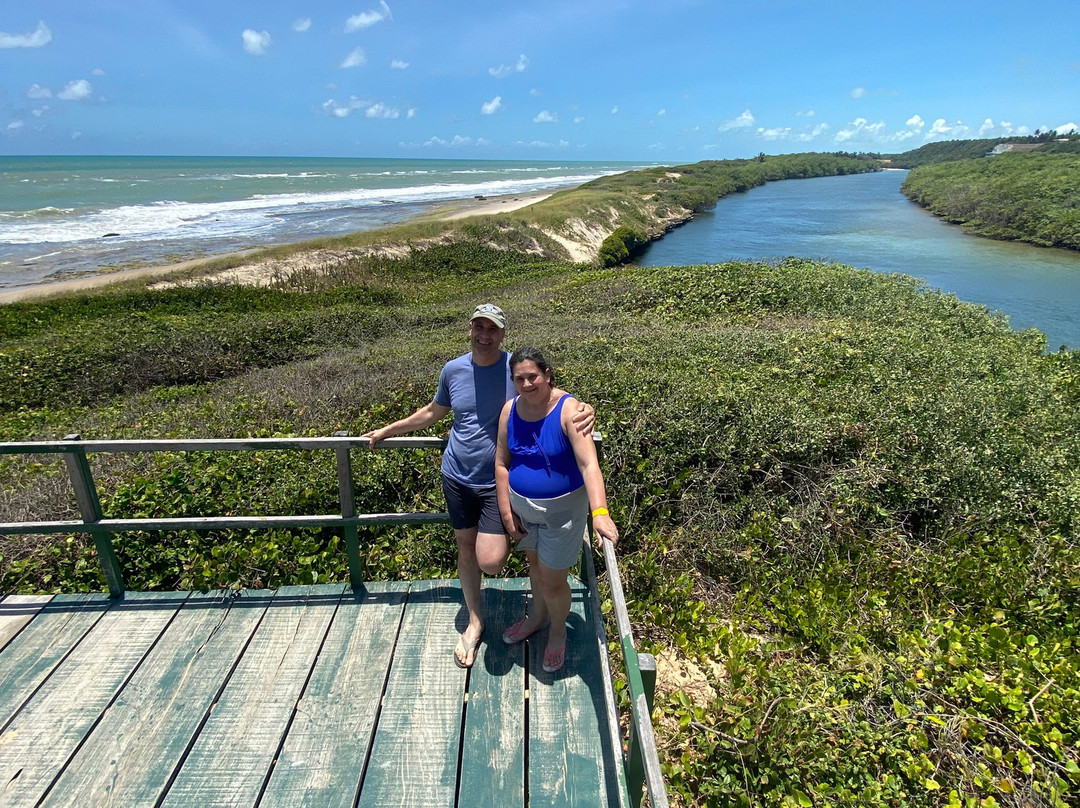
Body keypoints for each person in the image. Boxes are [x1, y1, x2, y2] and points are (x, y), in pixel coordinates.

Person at [362, 304, 594, 668]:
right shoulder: (452, 369)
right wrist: (389, 429)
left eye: (493, 329)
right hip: (455, 475)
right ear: (469, 329)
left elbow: (544, 389)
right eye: (478, 327)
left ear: (503, 334)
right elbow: (433, 412)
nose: (484, 335)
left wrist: (584, 408)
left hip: (494, 483)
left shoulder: (512, 369)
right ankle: (474, 622)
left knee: (491, 559)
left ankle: (542, 619)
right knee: (465, 548)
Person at [495, 346, 618, 674]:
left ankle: (558, 630)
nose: (526, 384)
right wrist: (507, 512)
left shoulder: (570, 410)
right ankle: (537, 617)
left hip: (561, 516)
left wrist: (600, 513)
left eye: (532, 376)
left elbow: (589, 464)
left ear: (547, 375)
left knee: (552, 581)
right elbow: (502, 463)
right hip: (524, 512)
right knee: (535, 567)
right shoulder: (510, 410)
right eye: (519, 379)